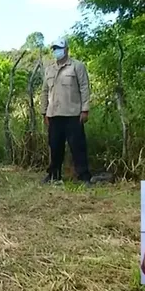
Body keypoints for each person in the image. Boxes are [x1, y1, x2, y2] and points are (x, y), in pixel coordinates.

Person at [40, 37, 92, 186]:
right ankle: (54, 175)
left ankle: (84, 176)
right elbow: (44, 91)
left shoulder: (77, 66)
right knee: (55, 146)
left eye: (59, 48)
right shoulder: (49, 69)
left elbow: (84, 88)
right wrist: (44, 112)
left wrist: (85, 110)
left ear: (67, 49)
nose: (56, 51)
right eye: (54, 49)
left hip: (73, 114)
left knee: (78, 147)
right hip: (54, 114)